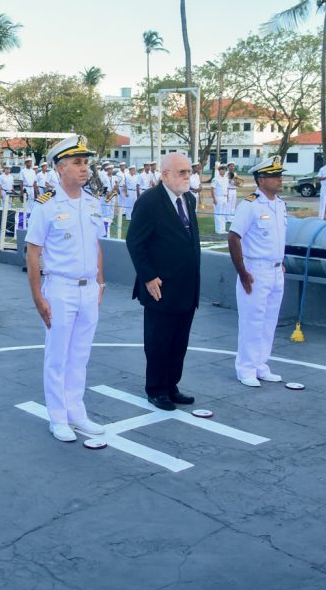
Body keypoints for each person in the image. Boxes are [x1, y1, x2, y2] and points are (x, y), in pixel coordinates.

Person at [25, 135, 106, 442]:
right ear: (60, 168)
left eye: (86, 162)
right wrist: (37, 297)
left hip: (88, 288)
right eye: (77, 162)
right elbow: (33, 252)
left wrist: (100, 282)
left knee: (80, 354)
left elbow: (96, 245)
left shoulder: (92, 202)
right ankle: (58, 417)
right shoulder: (46, 205)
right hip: (60, 288)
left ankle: (76, 412)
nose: (84, 168)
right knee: (57, 355)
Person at [125, 151, 201, 411]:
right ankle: (156, 389)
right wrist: (148, 277)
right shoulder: (149, 202)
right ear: (165, 174)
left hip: (186, 287)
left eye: (189, 171)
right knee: (159, 341)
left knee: (179, 342)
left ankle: (171, 385)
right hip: (160, 286)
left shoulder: (188, 199)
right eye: (182, 172)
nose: (187, 176)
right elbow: (135, 242)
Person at [228, 156, 288, 387]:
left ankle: (261, 365)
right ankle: (246, 368)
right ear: (261, 180)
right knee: (252, 321)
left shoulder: (280, 204)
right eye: (275, 176)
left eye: (280, 175)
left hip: (276, 271)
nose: (280, 179)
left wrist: (280, 262)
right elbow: (234, 238)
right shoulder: (249, 205)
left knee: (269, 321)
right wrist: (242, 272)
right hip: (256, 271)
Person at [19, 157, 38, 228]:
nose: (30, 163)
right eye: (29, 162)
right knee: (25, 204)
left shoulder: (33, 171)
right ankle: (25, 219)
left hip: (31, 188)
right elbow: (21, 182)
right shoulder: (23, 171)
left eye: (31, 162)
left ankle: (30, 219)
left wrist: (36, 193)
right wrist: (21, 192)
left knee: (32, 204)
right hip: (25, 188)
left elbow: (34, 183)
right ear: (26, 163)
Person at [212, 162, 229, 234]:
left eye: (225, 169)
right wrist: (214, 199)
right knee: (218, 213)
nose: (223, 171)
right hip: (218, 197)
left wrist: (227, 197)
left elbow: (227, 188)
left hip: (225, 197)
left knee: (224, 213)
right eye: (222, 169)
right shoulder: (215, 179)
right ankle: (218, 229)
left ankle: (223, 229)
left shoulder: (226, 178)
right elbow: (212, 189)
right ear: (219, 170)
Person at [226, 162, 239, 228]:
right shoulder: (226, 173)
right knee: (228, 204)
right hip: (229, 190)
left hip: (234, 190)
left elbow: (237, 183)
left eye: (233, 166)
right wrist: (232, 179)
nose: (232, 167)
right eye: (231, 166)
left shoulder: (235, 174)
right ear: (228, 167)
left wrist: (237, 181)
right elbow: (227, 181)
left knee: (233, 204)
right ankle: (227, 218)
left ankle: (232, 218)